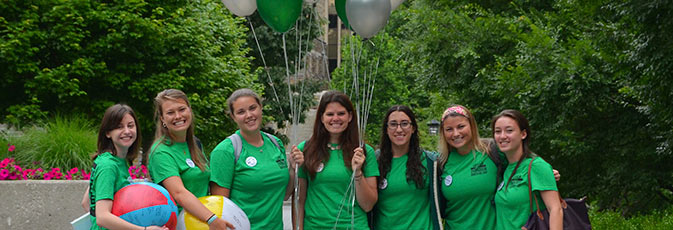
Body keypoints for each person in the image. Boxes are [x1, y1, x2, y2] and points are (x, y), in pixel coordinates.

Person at [210, 88, 303, 229]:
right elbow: (220, 209)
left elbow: (283, 195)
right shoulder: (225, 150)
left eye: (253, 108)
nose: (249, 115)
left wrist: (293, 168)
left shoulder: (275, 143)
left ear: (261, 109)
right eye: (241, 112)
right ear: (233, 117)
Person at [148, 89, 234, 230]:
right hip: (181, 225)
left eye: (182, 109)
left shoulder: (195, 144)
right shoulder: (160, 152)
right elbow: (179, 193)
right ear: (162, 119)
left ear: (190, 110)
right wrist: (212, 218)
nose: (178, 116)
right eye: (170, 112)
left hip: (202, 223)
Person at [294, 90, 379, 229]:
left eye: (341, 113)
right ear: (321, 117)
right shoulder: (305, 149)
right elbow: (299, 200)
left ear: (350, 116)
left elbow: (368, 205)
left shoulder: (363, 152)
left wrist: (358, 173)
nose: (335, 118)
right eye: (330, 114)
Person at [88, 104, 167, 230]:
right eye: (119, 127)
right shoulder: (108, 166)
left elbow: (87, 202)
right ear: (108, 133)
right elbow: (102, 217)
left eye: (130, 125)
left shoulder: (117, 160)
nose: (126, 131)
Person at [372, 105, 443, 230]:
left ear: (413, 128)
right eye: (393, 124)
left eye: (404, 124)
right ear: (386, 129)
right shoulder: (375, 161)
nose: (399, 129)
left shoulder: (431, 161)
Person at [492, 109, 562, 230]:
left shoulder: (536, 166)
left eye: (509, 130)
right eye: (498, 131)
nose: (502, 136)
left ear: (523, 134)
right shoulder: (504, 167)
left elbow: (556, 210)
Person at [438, 105, 500, 229]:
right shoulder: (440, 163)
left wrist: (546, 172)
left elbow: (522, 160)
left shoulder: (491, 150)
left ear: (471, 125)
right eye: (449, 129)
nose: (456, 133)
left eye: (461, 126)